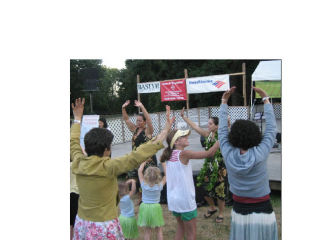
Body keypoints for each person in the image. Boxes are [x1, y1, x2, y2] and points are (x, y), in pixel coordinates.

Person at [71, 98, 175, 240]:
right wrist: (166, 129)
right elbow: (138, 155)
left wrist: (77, 119)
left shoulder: (77, 161)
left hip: (82, 223)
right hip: (104, 226)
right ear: (107, 149)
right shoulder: (110, 167)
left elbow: (73, 142)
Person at [218, 86, 278, 240]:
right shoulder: (261, 152)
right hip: (263, 210)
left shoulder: (228, 152)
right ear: (255, 135)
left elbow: (222, 130)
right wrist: (266, 100)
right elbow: (271, 129)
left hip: (239, 211)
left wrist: (224, 102)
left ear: (234, 136)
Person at [160, 129, 220, 240]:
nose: (187, 137)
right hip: (185, 200)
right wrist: (221, 139)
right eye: (184, 136)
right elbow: (209, 153)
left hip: (174, 199)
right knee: (191, 234)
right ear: (176, 142)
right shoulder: (184, 154)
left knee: (180, 227)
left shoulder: (168, 155)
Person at [180, 109, 227, 223]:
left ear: (217, 126)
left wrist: (227, 123)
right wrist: (184, 118)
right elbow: (195, 127)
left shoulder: (222, 136)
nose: (208, 125)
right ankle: (212, 208)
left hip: (220, 167)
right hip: (208, 166)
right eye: (208, 123)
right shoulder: (207, 134)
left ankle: (221, 213)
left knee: (220, 191)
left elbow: (227, 130)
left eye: (210, 123)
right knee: (204, 188)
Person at [122, 100, 158, 202]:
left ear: (145, 122)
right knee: (133, 176)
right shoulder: (135, 129)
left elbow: (149, 119)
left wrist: (142, 106)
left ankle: (146, 198)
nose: (138, 122)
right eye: (137, 120)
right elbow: (126, 119)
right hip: (136, 159)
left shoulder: (148, 131)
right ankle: (139, 196)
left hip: (147, 161)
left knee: (146, 179)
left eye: (140, 121)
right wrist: (123, 108)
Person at [137, 161, 166, 240]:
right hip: (155, 207)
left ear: (146, 175)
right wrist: (163, 163)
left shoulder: (143, 184)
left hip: (145, 207)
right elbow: (167, 175)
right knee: (159, 230)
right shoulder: (159, 186)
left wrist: (143, 162)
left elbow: (139, 171)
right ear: (157, 176)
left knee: (147, 231)